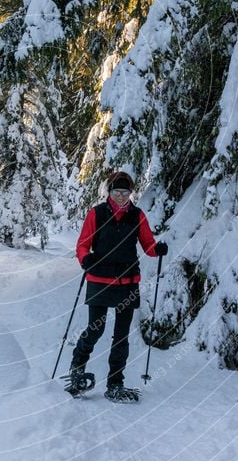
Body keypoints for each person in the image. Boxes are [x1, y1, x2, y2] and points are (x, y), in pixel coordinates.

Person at [69, 171, 168, 402]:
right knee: (96, 328)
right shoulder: (97, 213)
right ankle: (77, 369)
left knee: (121, 336)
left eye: (125, 192)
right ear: (109, 192)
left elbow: (148, 245)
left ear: (131, 193)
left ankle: (115, 383)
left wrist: (157, 250)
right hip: (99, 281)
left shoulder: (137, 216)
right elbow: (82, 245)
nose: (121, 197)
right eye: (117, 192)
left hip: (128, 282)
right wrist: (85, 259)